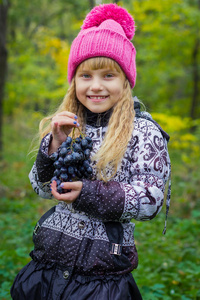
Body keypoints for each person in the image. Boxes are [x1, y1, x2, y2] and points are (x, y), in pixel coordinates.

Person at [11, 3, 171, 300]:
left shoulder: (143, 132)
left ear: (125, 80)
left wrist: (88, 193)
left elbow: (151, 199)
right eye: (86, 76)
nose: (95, 86)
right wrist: (53, 147)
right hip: (47, 267)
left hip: (102, 277)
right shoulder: (70, 124)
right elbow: (41, 187)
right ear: (74, 81)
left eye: (108, 76)